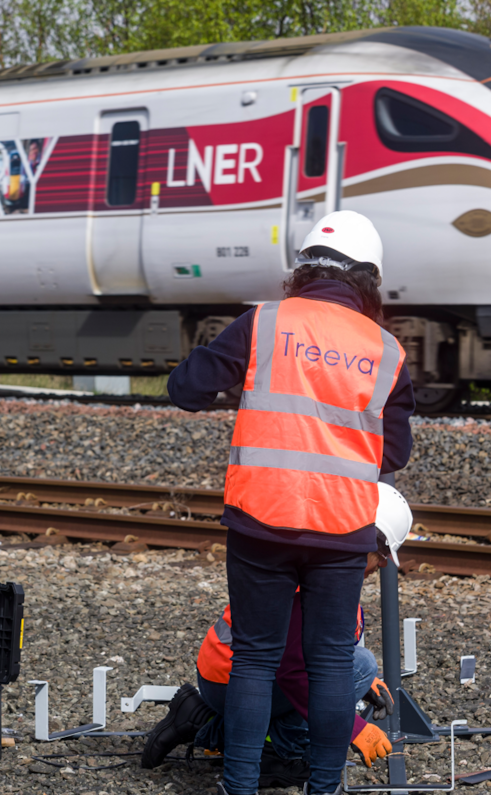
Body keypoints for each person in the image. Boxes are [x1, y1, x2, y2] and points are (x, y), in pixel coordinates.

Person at [166, 210, 415, 795]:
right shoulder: (385, 350)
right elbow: (395, 453)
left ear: (302, 269)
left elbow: (186, 389)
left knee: (255, 658)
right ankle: (324, 789)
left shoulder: (264, 323)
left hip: (260, 520)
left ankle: (240, 786)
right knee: (330, 663)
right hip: (343, 527)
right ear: (369, 280)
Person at [141, 554, 396, 788]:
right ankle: (274, 754)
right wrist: (350, 726)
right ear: (363, 544)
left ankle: (201, 717)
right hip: (237, 683)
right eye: (382, 553)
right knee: (361, 664)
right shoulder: (312, 586)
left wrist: (362, 679)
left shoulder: (314, 563)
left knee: (360, 668)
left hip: (223, 674)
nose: (383, 564)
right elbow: (293, 674)